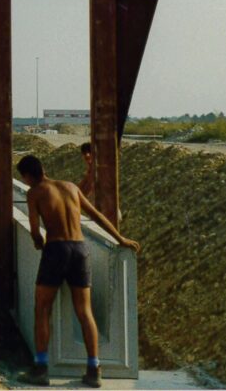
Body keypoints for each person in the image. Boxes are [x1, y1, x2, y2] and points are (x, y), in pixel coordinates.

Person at [16, 154, 140, 388]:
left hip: (56, 250)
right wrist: (120, 238)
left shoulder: (34, 192)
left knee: (42, 308)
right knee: (84, 311)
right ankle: (94, 369)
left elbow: (34, 229)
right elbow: (96, 215)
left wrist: (37, 242)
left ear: (26, 176)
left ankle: (41, 368)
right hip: (80, 250)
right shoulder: (70, 187)